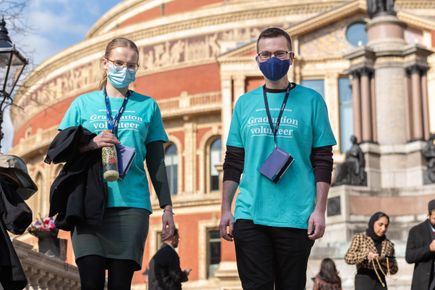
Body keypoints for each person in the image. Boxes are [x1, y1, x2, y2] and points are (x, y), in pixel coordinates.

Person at [219, 27, 336, 290]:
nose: (273, 59)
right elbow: (233, 161)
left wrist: (320, 209)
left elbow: (323, 160)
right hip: (250, 213)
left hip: (296, 215)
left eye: (280, 53)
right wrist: (226, 208)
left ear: (291, 57)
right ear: (258, 59)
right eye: (267, 54)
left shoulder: (312, 101)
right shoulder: (244, 104)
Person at [58, 37, 175, 290]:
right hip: (88, 205)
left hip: (131, 206)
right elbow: (59, 150)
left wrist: (167, 208)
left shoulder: (147, 106)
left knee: (121, 286)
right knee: (91, 283)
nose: (125, 69)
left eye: (131, 65)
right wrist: (91, 144)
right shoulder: (82, 104)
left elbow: (156, 162)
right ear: (105, 63)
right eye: (119, 63)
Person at [345, 212, 398, 290]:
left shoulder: (389, 244)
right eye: (380, 224)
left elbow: (394, 269)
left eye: (386, 226)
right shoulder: (360, 238)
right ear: (373, 223)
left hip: (381, 281)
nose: (383, 229)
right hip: (364, 279)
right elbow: (348, 258)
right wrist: (366, 255)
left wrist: (387, 264)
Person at [405, 199, 435, 290]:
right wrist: (429, 249)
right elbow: (409, 257)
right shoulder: (416, 231)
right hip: (424, 283)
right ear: (428, 215)